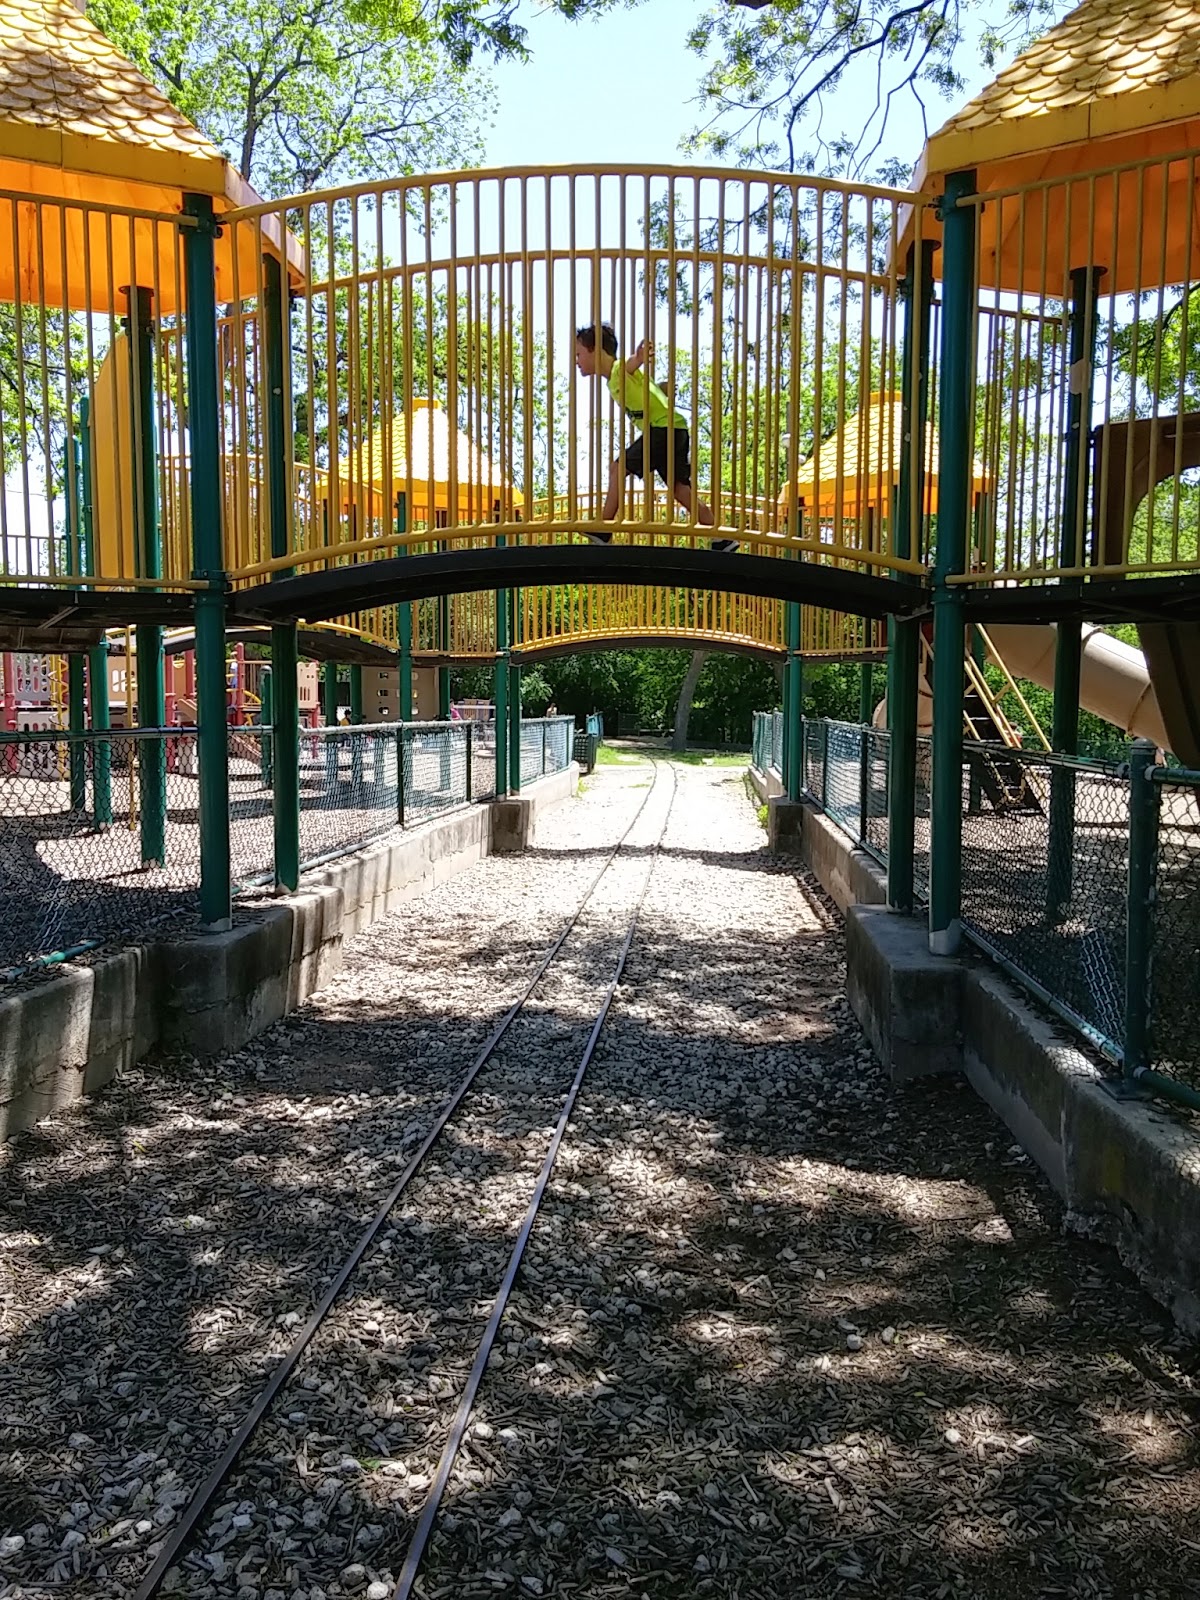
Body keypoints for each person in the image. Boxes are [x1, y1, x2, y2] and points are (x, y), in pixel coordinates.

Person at [574, 323, 738, 552]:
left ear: (596, 350)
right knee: (680, 489)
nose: (576, 361)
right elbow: (648, 389)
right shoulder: (616, 378)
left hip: (662, 430)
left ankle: (604, 527)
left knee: (617, 469)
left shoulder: (618, 370)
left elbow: (630, 366)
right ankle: (720, 536)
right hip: (676, 428)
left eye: (578, 354)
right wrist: (662, 388)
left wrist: (639, 358)